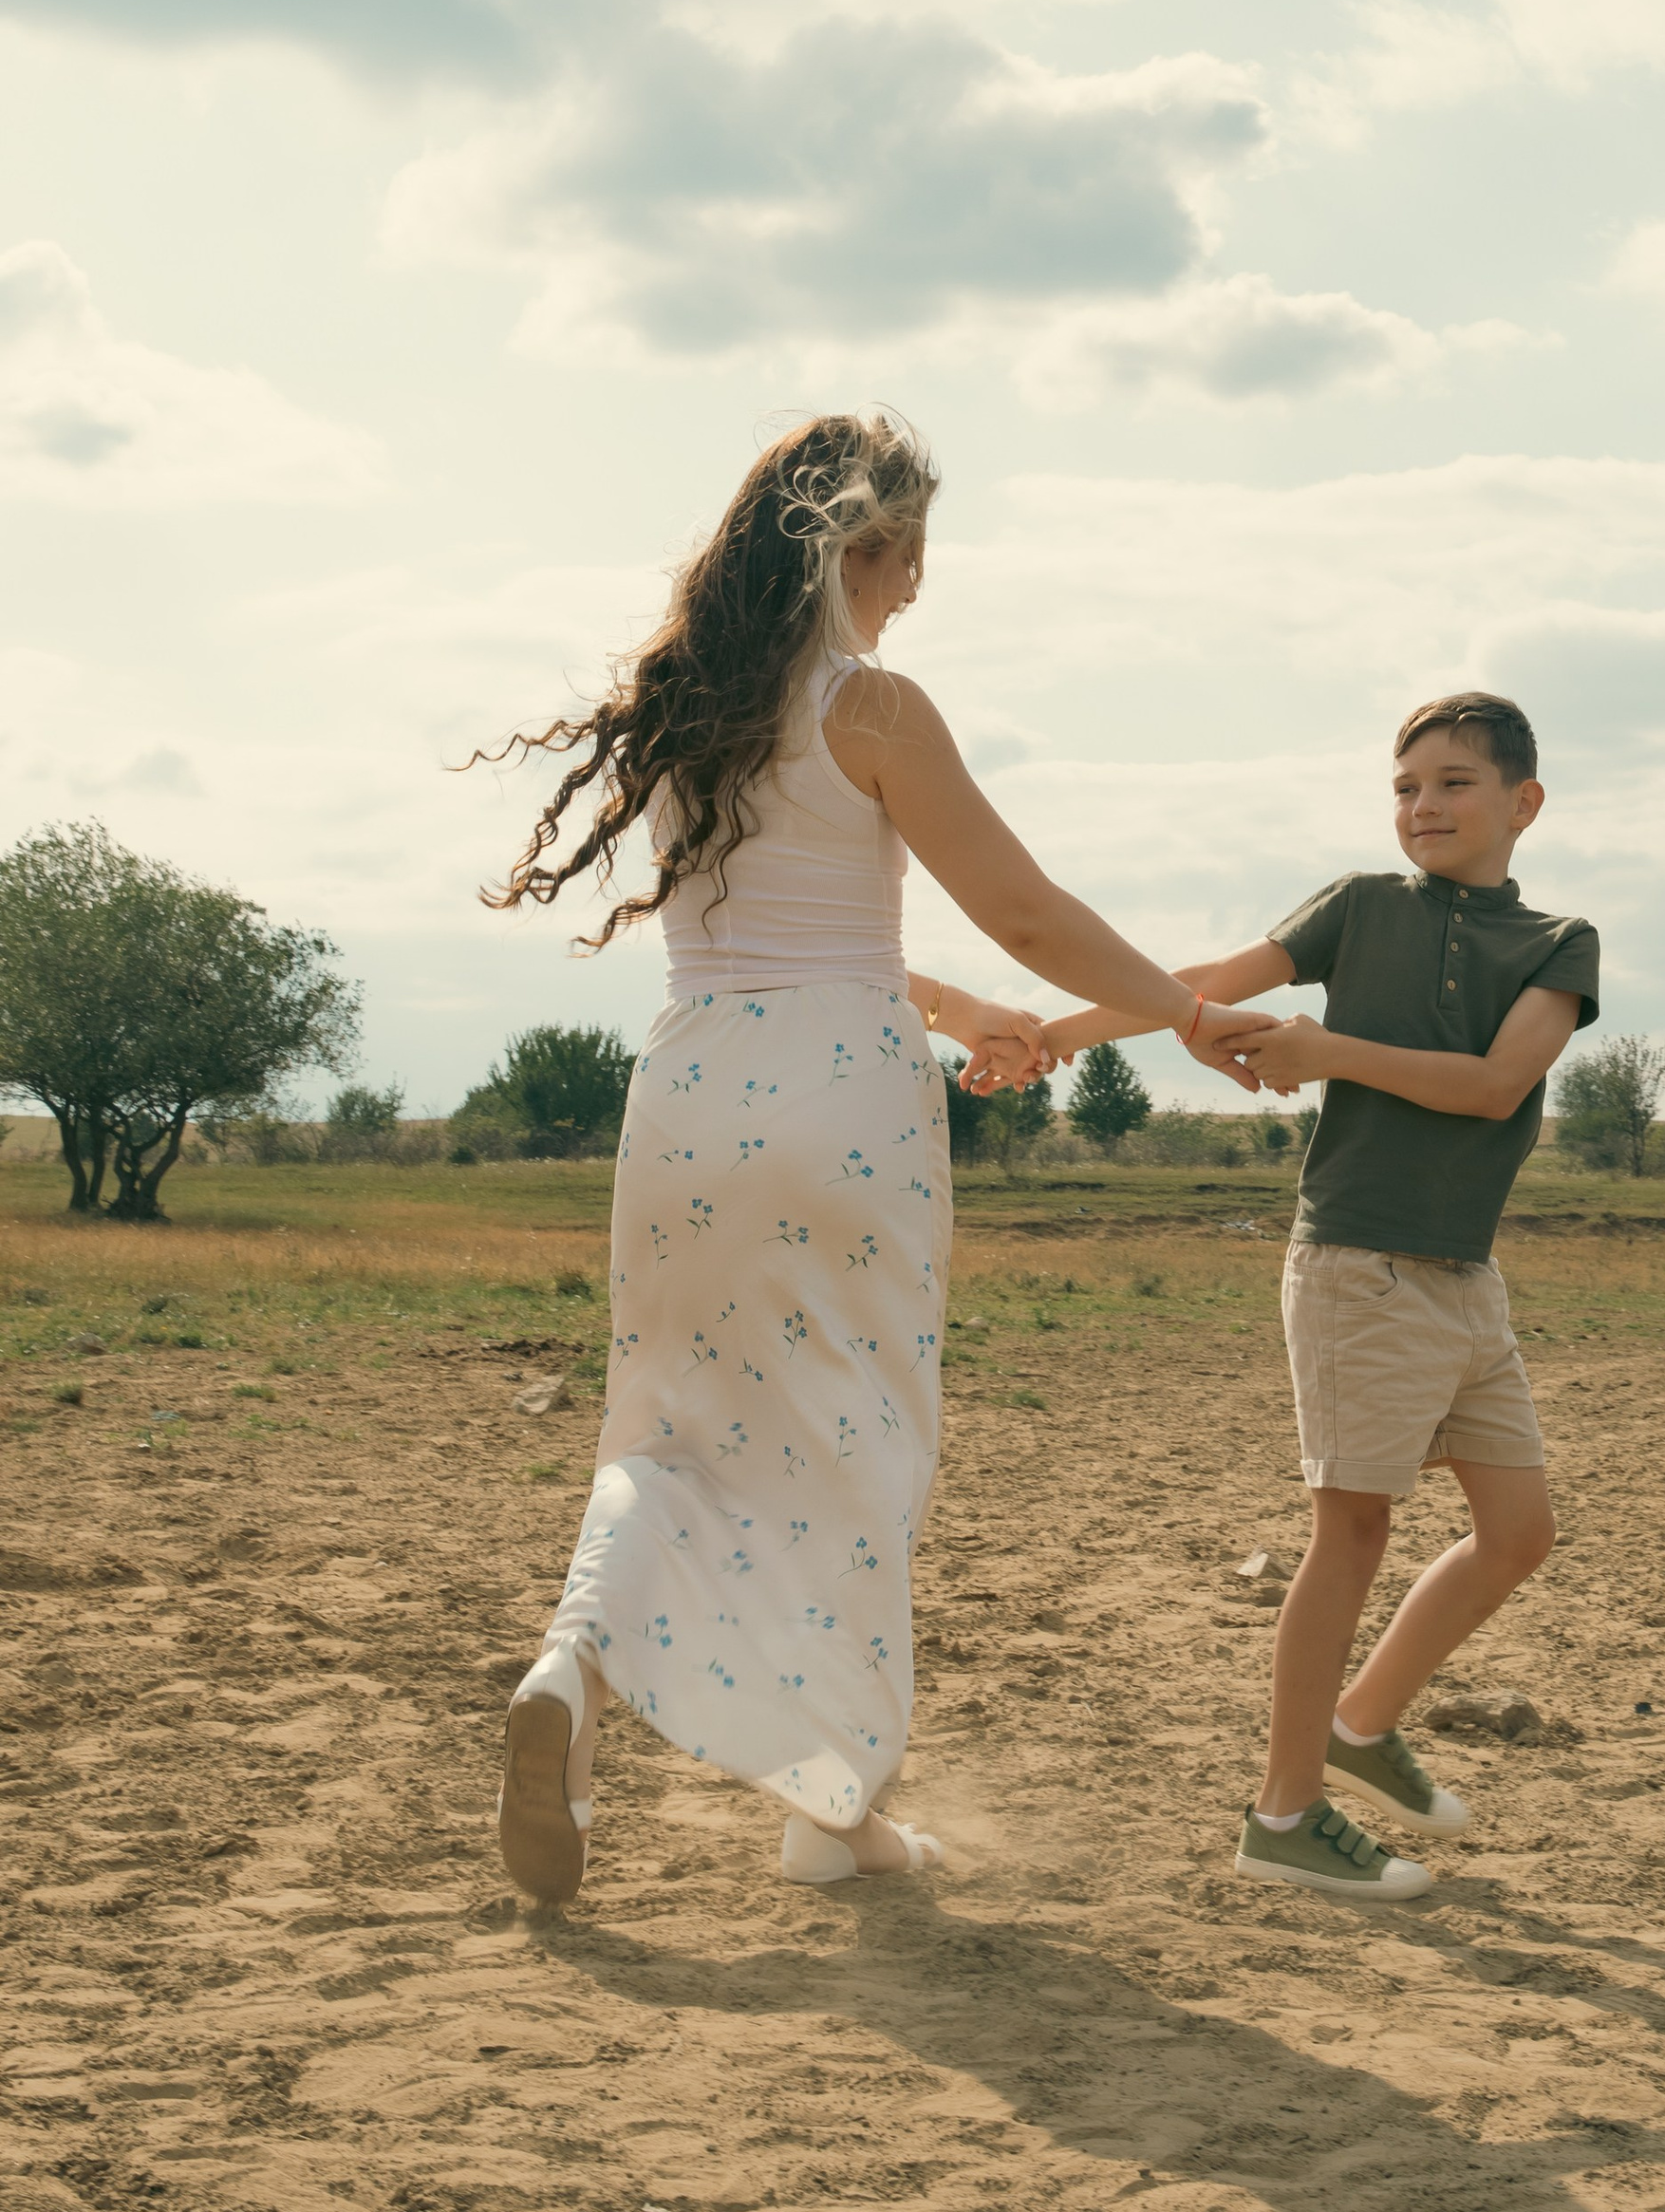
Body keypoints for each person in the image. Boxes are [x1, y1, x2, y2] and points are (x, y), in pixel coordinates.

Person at [475, 412, 1278, 1906]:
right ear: (865, 547)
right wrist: (1184, 1014)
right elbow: (1026, 911)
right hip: (843, 1102)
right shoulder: (876, 708)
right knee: (849, 1442)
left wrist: (963, 1008)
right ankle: (833, 1817)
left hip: (691, 1088)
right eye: (913, 562)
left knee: (662, 1429)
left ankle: (571, 1664)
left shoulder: (685, 710)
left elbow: (786, 919)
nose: (917, 593)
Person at [1045, 692, 1597, 1901]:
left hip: (1464, 1279)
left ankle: (1361, 1725)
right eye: (1405, 787)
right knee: (1351, 1532)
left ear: (1523, 804)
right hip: (1358, 1264)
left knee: (1519, 1533)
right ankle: (1284, 1817)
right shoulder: (1357, 906)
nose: (1423, 806)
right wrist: (1053, 1033)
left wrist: (1327, 1051)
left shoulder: (1558, 943)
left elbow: (1499, 1086)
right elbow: (1198, 985)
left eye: (1453, 783)